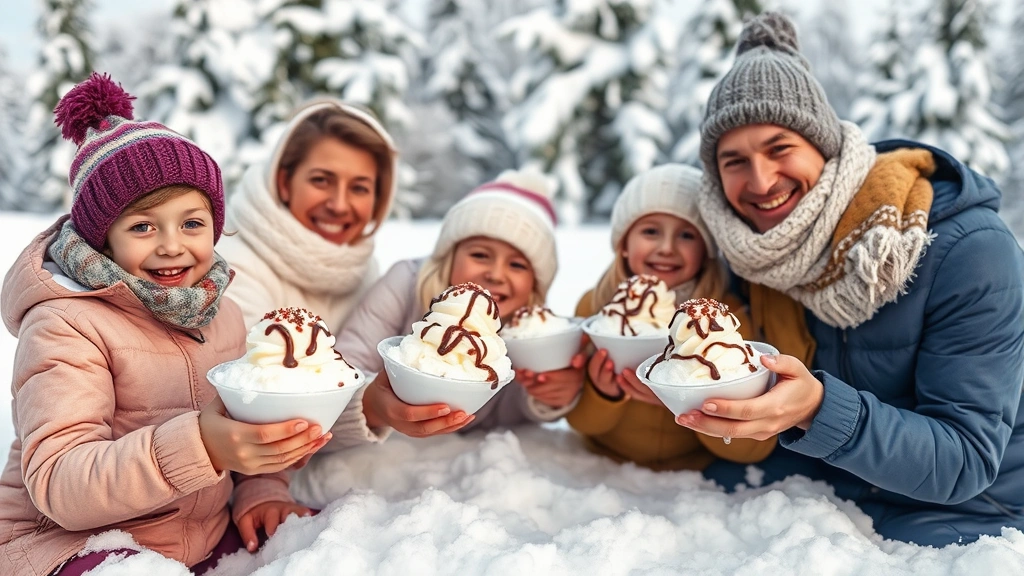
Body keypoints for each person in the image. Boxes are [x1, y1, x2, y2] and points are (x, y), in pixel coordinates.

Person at [682, 12, 1024, 546]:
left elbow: (967, 457)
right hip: (836, 488)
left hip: (979, 513)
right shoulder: (753, 252)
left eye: (780, 148)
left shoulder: (968, 251)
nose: (761, 181)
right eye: (734, 161)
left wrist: (819, 409)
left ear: (826, 146)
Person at [0, 74, 330, 576]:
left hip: (195, 534)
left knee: (326, 543)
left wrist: (261, 486)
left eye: (192, 223)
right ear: (101, 240)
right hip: (71, 545)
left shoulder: (221, 313)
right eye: (142, 226)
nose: (173, 245)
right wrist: (201, 444)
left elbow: (241, 426)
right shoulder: (66, 324)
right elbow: (58, 483)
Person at [333, 169, 585, 438]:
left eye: (516, 264)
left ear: (535, 284)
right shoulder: (405, 283)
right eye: (480, 254)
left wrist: (546, 396)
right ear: (449, 257)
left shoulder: (526, 333)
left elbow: (503, 412)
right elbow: (343, 372)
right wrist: (372, 406)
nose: (496, 274)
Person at [566, 164, 775, 470]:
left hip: (694, 477)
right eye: (650, 231)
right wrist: (603, 393)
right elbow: (580, 423)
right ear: (623, 244)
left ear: (706, 249)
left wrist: (689, 407)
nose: (666, 248)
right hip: (608, 469)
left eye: (687, 235)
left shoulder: (722, 322)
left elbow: (749, 450)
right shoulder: (596, 309)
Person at [218, 99, 399, 450]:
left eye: (359, 188)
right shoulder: (231, 263)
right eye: (321, 180)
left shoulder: (360, 269)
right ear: (285, 182)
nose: (339, 204)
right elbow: (256, 398)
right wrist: (371, 407)